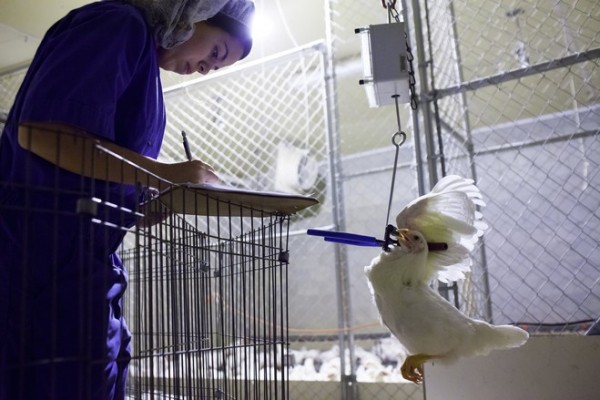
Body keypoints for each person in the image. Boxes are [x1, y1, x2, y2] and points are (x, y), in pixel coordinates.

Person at [0, 0, 254, 398]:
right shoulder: (118, 25)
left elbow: (91, 167)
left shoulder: (144, 65)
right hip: (37, 263)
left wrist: (136, 204)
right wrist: (164, 174)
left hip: (87, 266)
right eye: (215, 53)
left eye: (215, 67)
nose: (206, 67)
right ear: (193, 11)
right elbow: (43, 134)